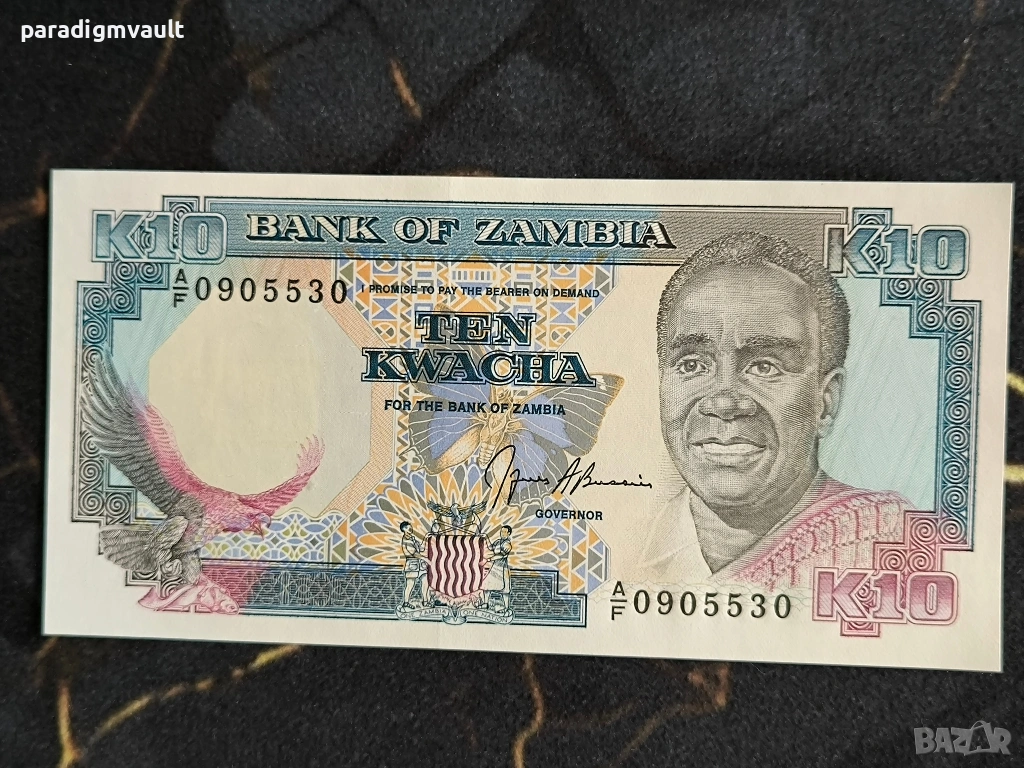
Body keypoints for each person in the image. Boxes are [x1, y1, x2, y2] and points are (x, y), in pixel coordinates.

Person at [643, 232, 910, 590]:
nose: (724, 403)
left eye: (765, 366)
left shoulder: (896, 541)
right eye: (692, 365)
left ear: (825, 402)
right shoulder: (626, 539)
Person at [482, 525, 513, 611]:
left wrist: (489, 559)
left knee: (505, 589)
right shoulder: (497, 542)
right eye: (501, 531)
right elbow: (490, 548)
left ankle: (506, 608)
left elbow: (501, 555)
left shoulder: (507, 545)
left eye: (504, 532)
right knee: (486, 586)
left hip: (503, 568)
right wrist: (486, 538)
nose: (502, 533)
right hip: (494, 567)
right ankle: (485, 603)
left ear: (509, 533)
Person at [400, 521, 429, 607]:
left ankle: (425, 601)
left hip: (420, 565)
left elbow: (421, 549)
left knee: (425, 581)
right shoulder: (406, 540)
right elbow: (414, 553)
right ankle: (406, 602)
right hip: (412, 564)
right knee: (410, 584)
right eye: (407, 528)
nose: (410, 529)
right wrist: (425, 559)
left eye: (410, 527)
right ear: (403, 529)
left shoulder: (413, 538)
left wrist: (426, 538)